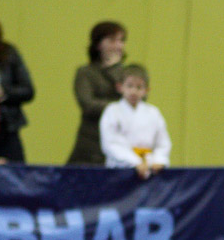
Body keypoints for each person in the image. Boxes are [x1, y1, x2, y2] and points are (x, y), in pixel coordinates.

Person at [67, 21, 127, 165]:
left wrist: (115, 68)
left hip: (122, 138)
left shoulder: (127, 73)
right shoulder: (86, 72)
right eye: (112, 40)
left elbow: (137, 100)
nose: (118, 45)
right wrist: (120, 107)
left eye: (121, 41)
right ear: (98, 44)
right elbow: (88, 105)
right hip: (92, 141)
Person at [99, 64, 171, 179]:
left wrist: (159, 160)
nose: (133, 91)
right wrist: (134, 162)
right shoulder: (112, 111)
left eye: (139, 87)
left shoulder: (153, 113)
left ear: (146, 90)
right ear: (120, 87)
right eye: (129, 86)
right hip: (119, 169)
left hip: (148, 168)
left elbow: (163, 142)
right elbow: (111, 143)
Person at [0, 15, 35, 164]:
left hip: (7, 127)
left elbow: (28, 90)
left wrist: (4, 92)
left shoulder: (8, 53)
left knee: (16, 173)